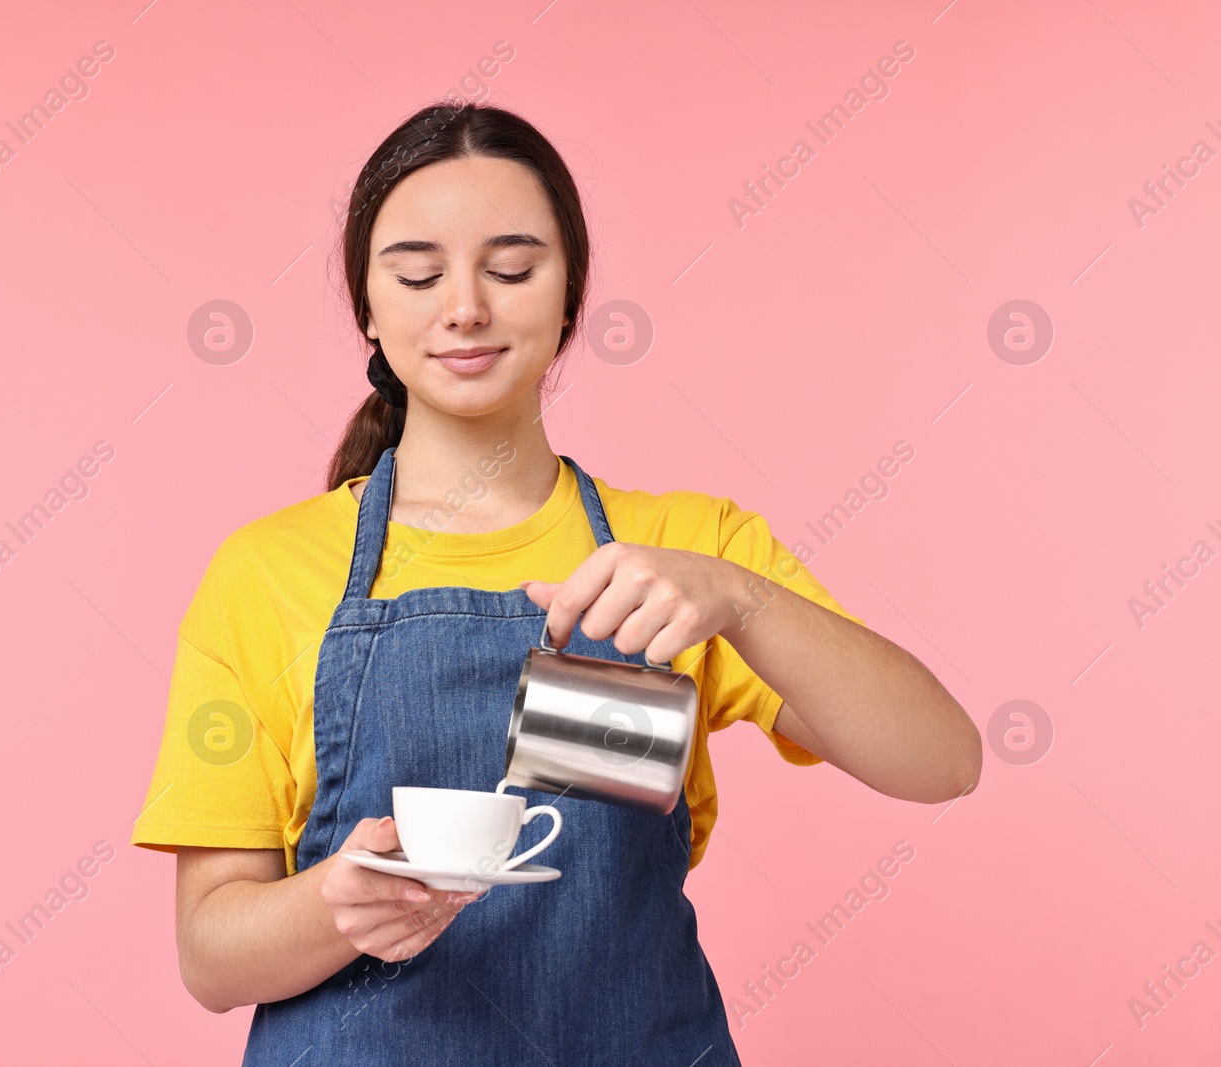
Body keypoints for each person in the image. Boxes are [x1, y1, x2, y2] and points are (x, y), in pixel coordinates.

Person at [131, 101, 980, 1065]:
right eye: (417, 273)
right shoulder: (266, 574)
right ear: (368, 304)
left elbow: (943, 761)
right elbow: (210, 953)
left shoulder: (687, 548)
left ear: (571, 294)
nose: (464, 308)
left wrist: (744, 598)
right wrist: (336, 903)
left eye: (511, 268)